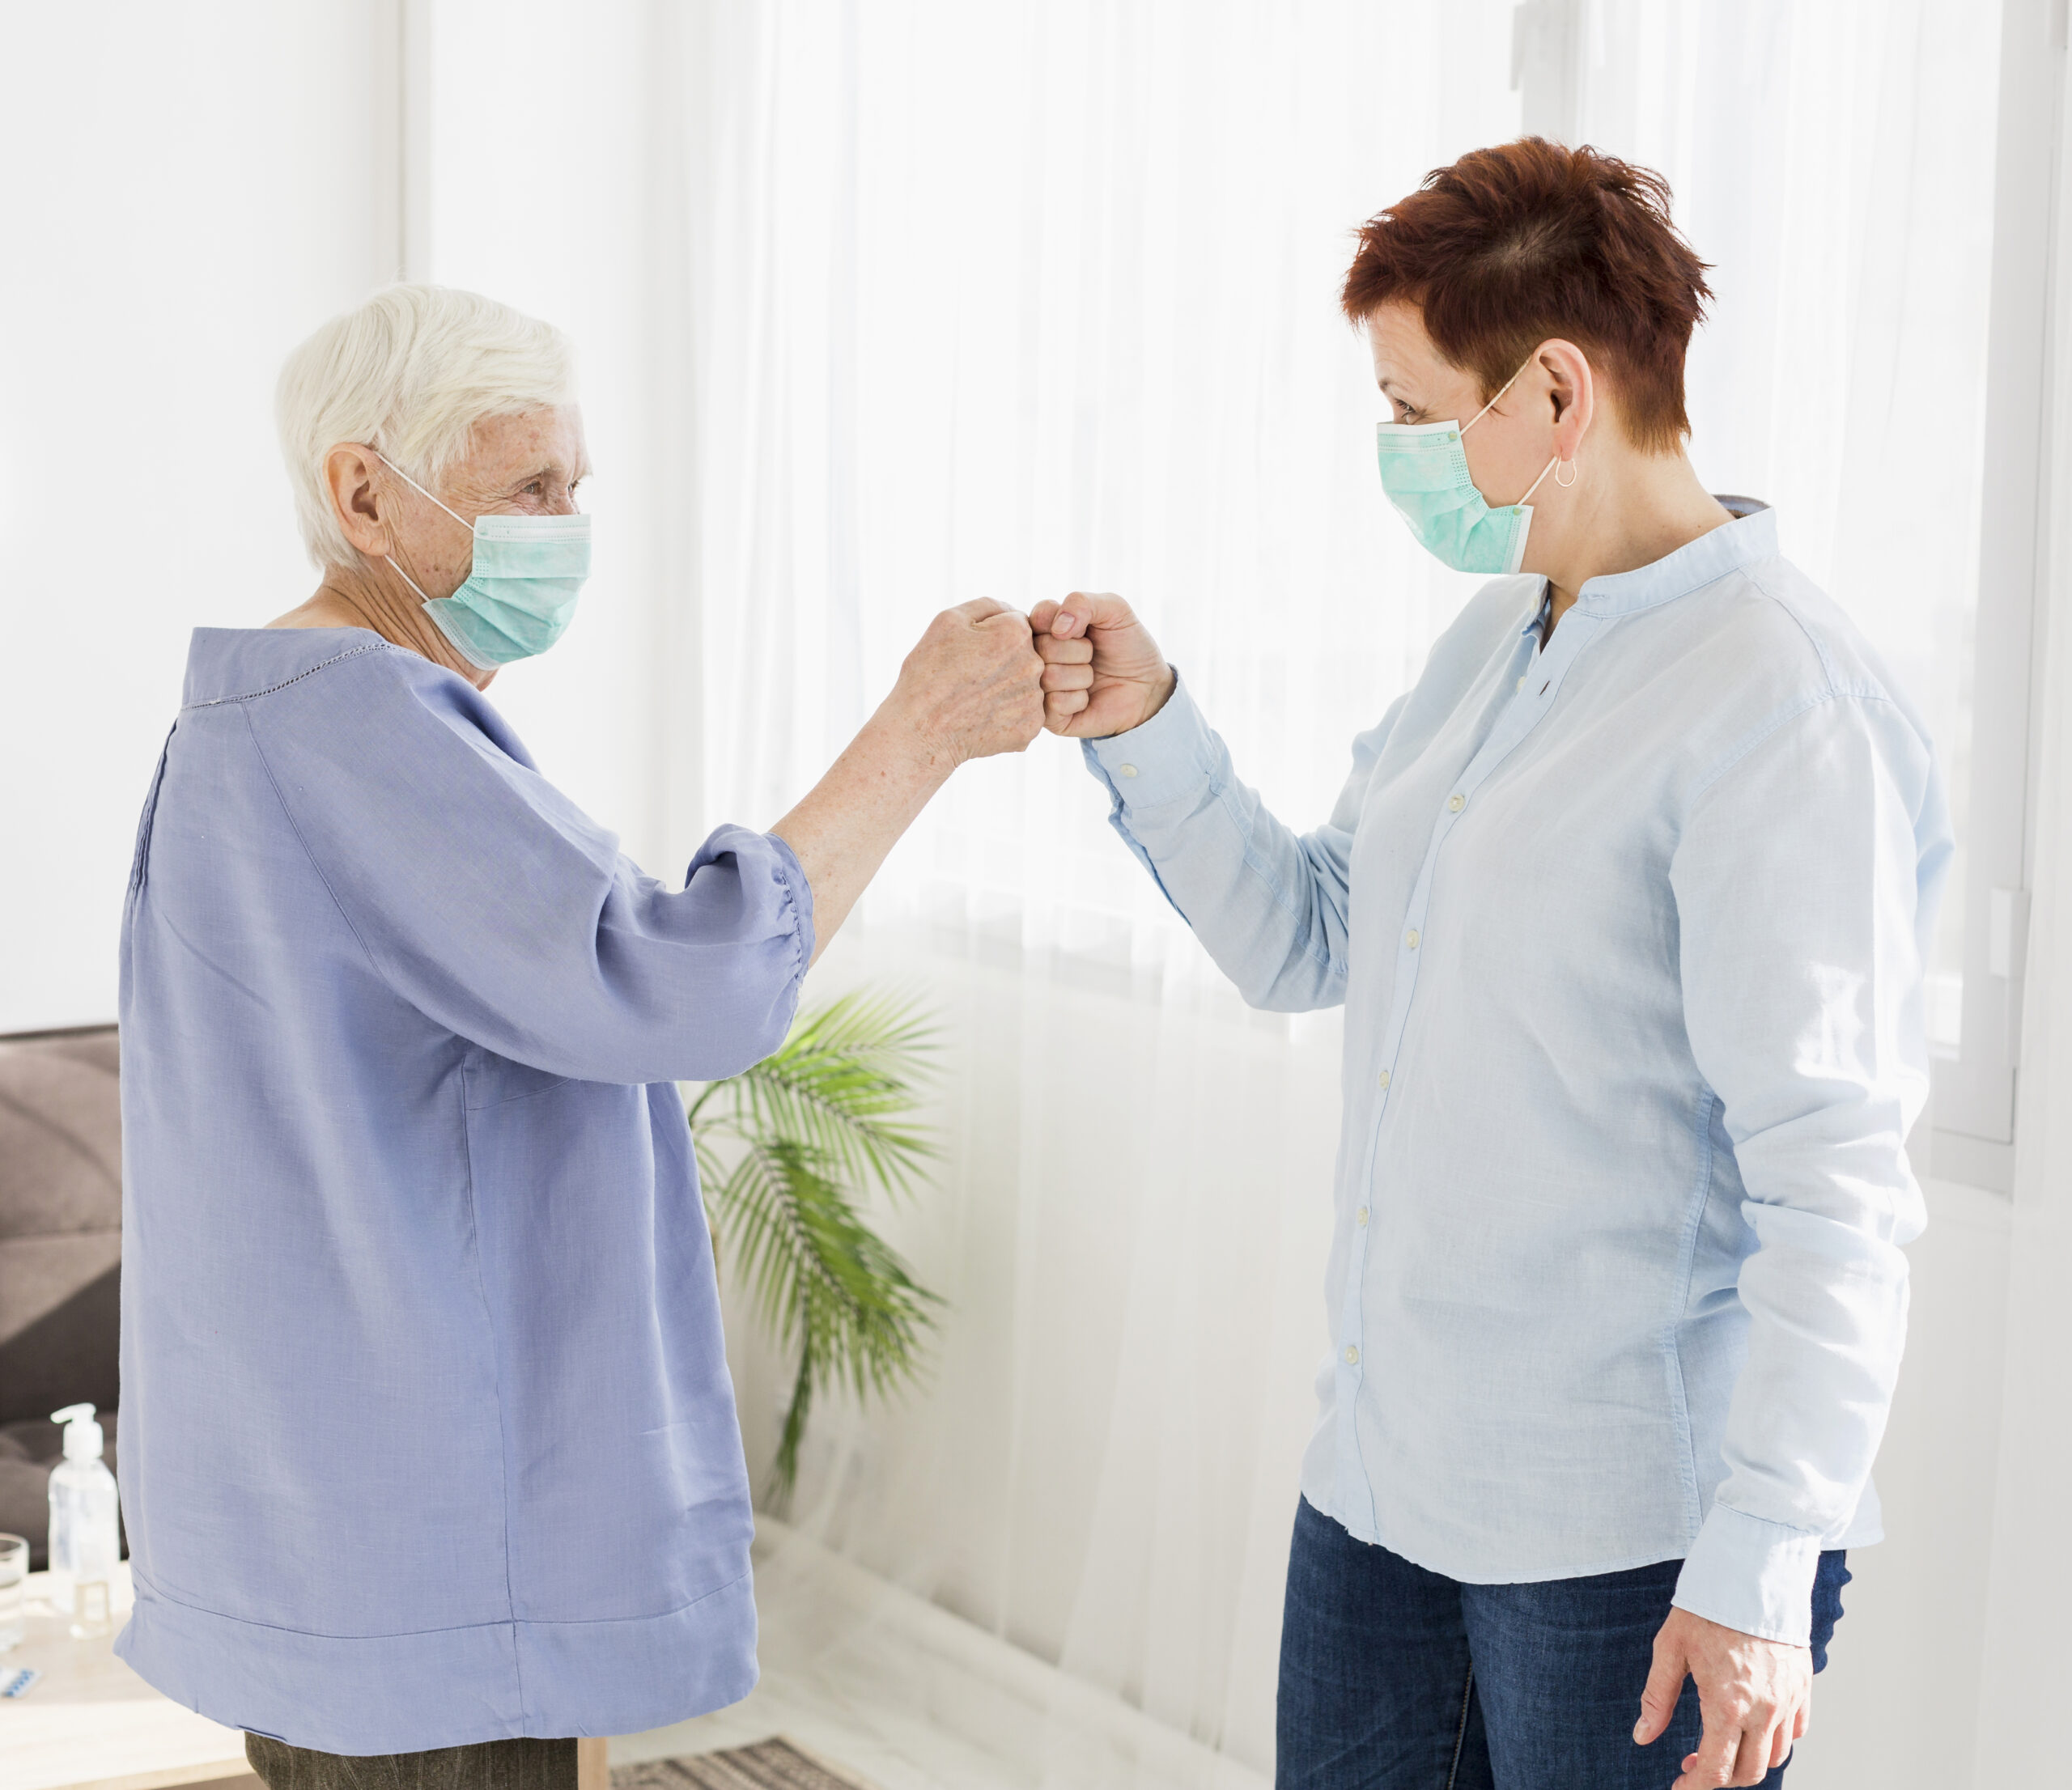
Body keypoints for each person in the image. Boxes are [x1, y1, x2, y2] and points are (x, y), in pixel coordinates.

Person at [1033, 139, 1948, 1790]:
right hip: (1386, 1489)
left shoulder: (1777, 703)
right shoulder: (1494, 636)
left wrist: (1756, 1574)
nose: (1391, 449)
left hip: (1631, 1541)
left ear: (1548, 390)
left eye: (1408, 408)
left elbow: (1837, 1183)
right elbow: (1311, 934)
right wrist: (1148, 724)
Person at [114, 283, 1044, 1788]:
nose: (566, 525)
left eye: (575, 487)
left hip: (315, 1530)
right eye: (527, 487)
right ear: (363, 492)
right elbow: (682, 987)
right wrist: (920, 731)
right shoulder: (365, 725)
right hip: (438, 1558)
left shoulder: (240, 723)